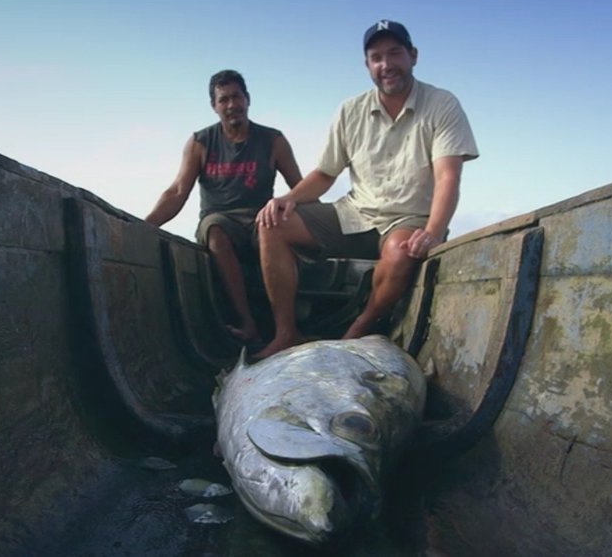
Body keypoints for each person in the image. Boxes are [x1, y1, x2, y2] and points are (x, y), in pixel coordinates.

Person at [253, 20, 479, 360]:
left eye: (394, 54)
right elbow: (324, 174)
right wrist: (287, 198)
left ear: (413, 56)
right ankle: (286, 334)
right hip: (354, 213)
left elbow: (448, 176)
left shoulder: (442, 104)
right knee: (271, 223)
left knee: (402, 252)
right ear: (367, 65)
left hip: (408, 218)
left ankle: (357, 331)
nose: (386, 65)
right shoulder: (349, 110)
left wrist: (432, 231)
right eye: (376, 57)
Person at [145, 70, 302, 343]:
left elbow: (300, 189)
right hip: (220, 222)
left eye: (237, 97)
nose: (232, 105)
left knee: (274, 227)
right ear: (214, 106)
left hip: (259, 220)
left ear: (247, 99)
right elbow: (177, 191)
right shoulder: (200, 142)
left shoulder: (273, 140)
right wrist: (145, 228)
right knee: (215, 229)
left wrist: (320, 227)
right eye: (224, 99)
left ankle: (285, 329)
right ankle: (247, 322)